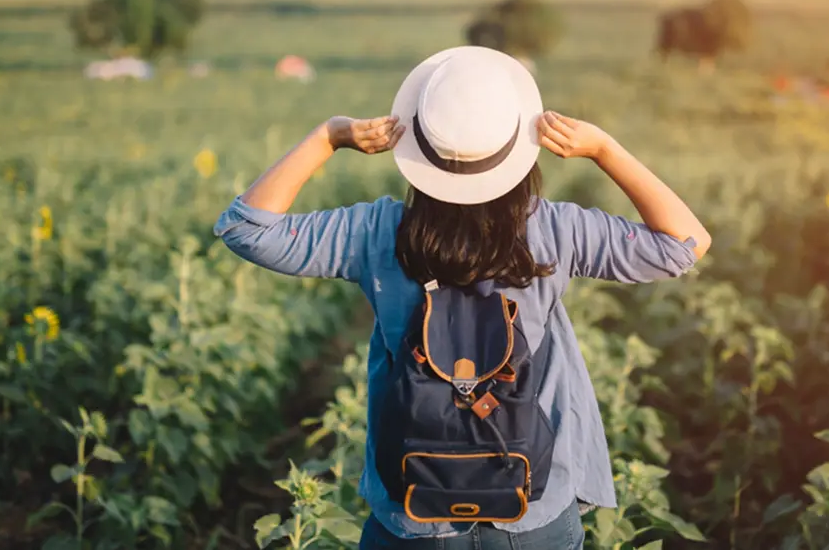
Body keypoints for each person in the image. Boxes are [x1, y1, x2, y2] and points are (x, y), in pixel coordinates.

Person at [214, 46, 711, 549]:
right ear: (517, 146)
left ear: (418, 147)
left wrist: (330, 136)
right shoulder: (554, 230)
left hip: (414, 514)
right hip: (532, 509)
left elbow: (246, 228)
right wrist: (604, 149)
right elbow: (684, 244)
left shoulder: (377, 231)